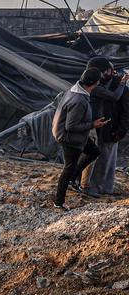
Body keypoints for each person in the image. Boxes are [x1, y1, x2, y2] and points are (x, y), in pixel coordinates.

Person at [52, 67, 108, 209]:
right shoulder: (79, 100)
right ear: (95, 83)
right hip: (69, 137)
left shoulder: (77, 89)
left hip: (75, 135)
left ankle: (72, 178)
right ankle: (58, 202)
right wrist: (92, 125)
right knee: (68, 168)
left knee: (94, 151)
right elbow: (71, 126)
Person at [83, 56, 129, 196]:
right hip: (90, 129)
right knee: (88, 160)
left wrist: (121, 131)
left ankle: (102, 189)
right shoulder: (92, 84)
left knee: (107, 161)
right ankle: (86, 186)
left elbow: (126, 111)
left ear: (109, 71)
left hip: (110, 130)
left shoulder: (119, 87)